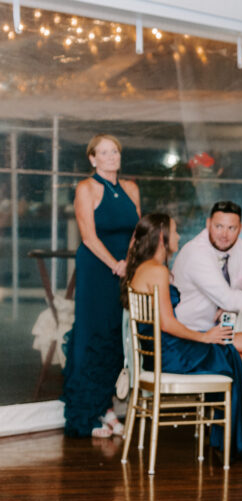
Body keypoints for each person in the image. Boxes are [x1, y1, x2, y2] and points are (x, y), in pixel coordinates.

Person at [123, 214, 242, 460]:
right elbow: (167, 324)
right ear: (161, 237)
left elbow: (164, 322)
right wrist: (203, 337)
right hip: (170, 355)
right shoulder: (157, 270)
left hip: (162, 351)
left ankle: (237, 434)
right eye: (175, 232)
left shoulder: (145, 268)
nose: (178, 236)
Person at [62, 134, 140, 438]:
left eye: (115, 151)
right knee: (92, 336)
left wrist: (129, 262)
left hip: (124, 270)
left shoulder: (131, 188)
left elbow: (138, 232)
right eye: (104, 152)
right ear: (93, 159)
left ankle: (107, 407)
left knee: (117, 338)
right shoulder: (86, 188)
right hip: (98, 270)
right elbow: (88, 236)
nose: (111, 156)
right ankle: (85, 414)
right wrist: (115, 264)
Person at [172, 201, 242, 332]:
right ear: (208, 224)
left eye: (231, 228)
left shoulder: (241, 247)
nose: (224, 234)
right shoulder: (197, 252)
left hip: (223, 332)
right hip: (190, 332)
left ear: (240, 228)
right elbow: (227, 299)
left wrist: (232, 306)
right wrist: (230, 303)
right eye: (219, 226)